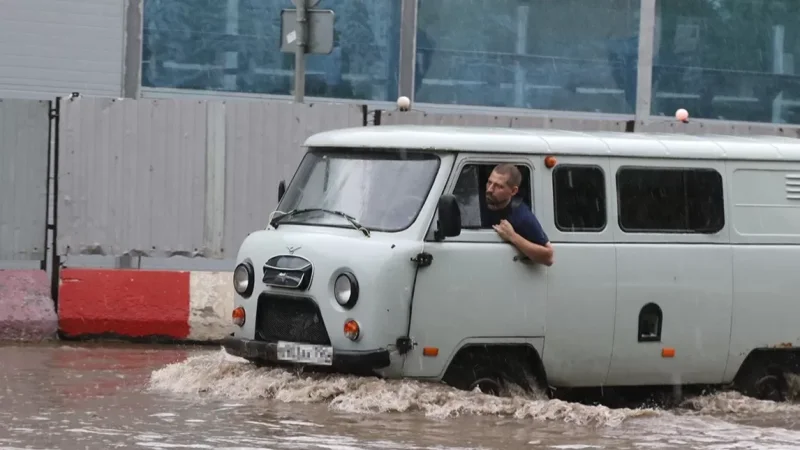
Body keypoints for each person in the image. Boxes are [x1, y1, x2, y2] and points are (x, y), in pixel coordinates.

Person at [483, 164, 554, 266]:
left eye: (499, 186)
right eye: (489, 182)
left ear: (513, 191)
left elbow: (548, 257)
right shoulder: (477, 201)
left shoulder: (522, 216)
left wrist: (512, 236)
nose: (489, 189)